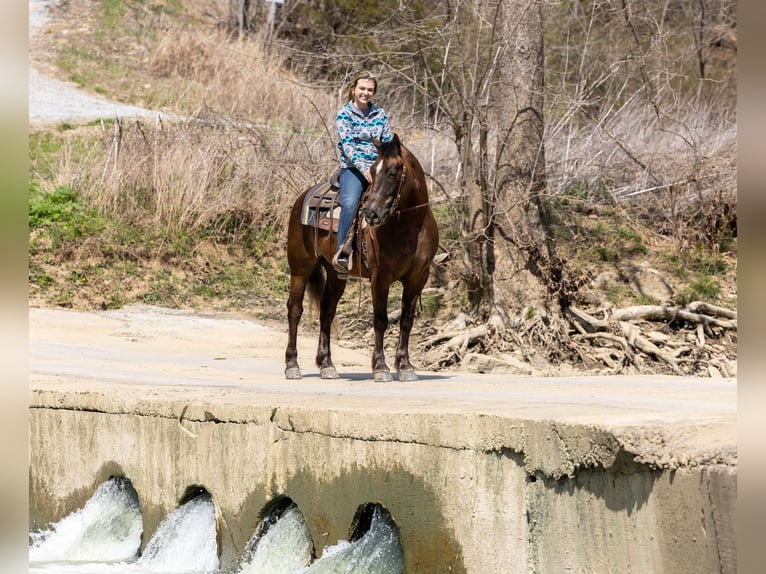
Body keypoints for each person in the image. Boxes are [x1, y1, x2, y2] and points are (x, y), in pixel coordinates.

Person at [331, 71, 393, 277]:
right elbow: (347, 145)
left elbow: (387, 144)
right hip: (353, 169)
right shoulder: (344, 114)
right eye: (362, 89)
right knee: (350, 203)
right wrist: (363, 168)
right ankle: (342, 253)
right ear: (353, 90)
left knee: (398, 197)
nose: (365, 93)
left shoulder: (380, 115)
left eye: (369, 90)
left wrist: (384, 164)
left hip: (378, 168)